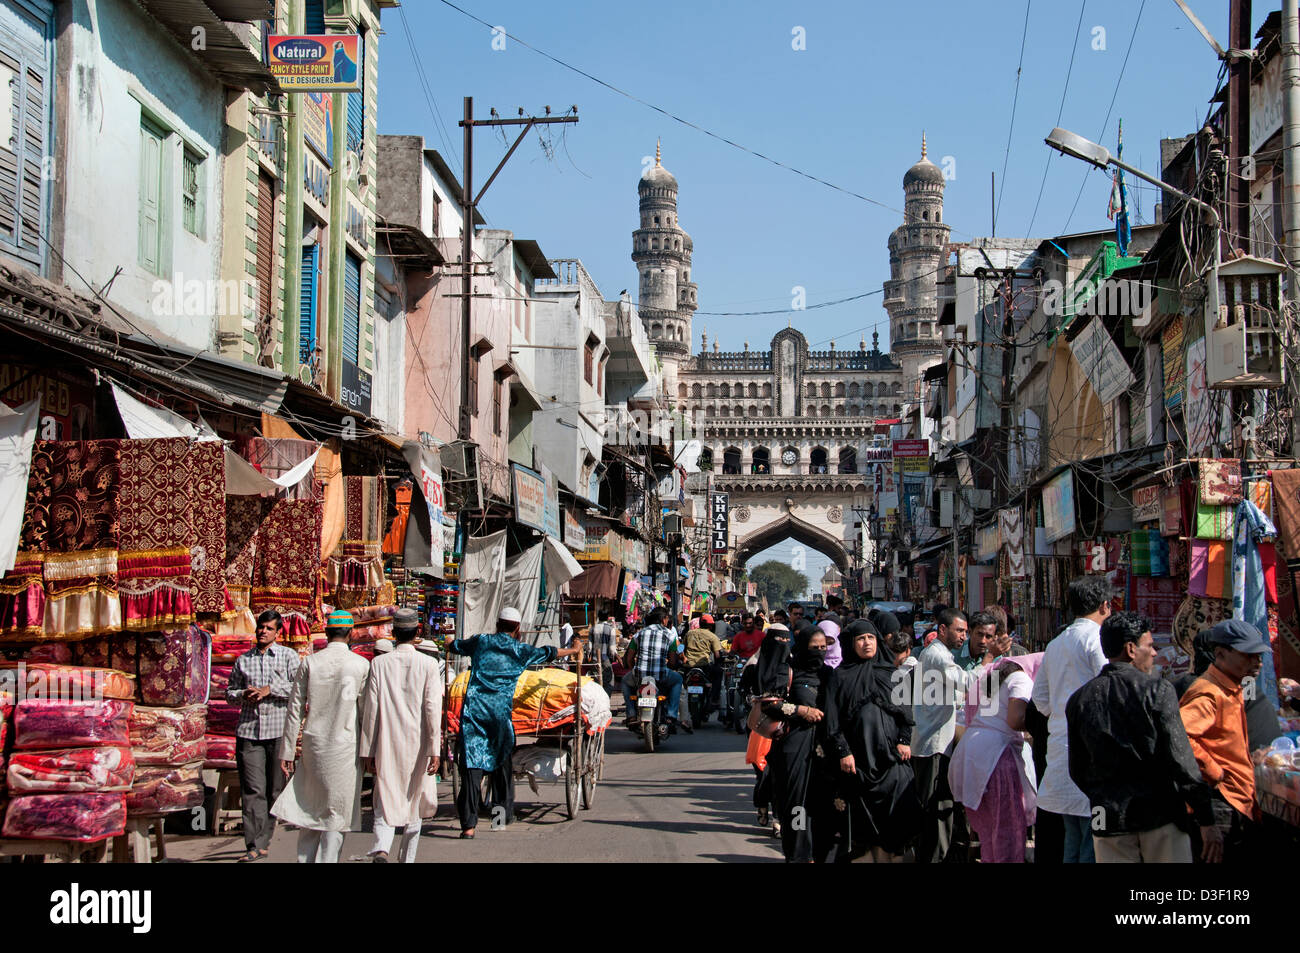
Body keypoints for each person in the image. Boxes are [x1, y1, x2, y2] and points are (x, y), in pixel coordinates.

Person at [1067, 611, 1220, 864]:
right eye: (1149, 646)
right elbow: (1181, 761)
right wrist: (1206, 818)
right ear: (1130, 648)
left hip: (1108, 820)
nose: (1154, 653)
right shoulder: (1158, 690)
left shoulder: (1079, 699)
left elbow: (1078, 770)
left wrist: (1103, 796)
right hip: (1160, 817)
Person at [447, 606, 583, 837]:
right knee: (501, 766)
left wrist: (449, 641)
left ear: (497, 623)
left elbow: (456, 646)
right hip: (500, 715)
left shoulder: (481, 641)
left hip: (474, 713)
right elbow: (549, 652)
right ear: (517, 628)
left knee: (471, 767)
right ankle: (499, 820)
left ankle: (468, 827)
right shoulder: (520, 650)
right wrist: (573, 649)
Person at [272, 609, 371, 863]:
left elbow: (294, 709)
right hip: (346, 748)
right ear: (350, 634)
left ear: (326, 633)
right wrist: (369, 752)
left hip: (314, 745)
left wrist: (286, 751)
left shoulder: (310, 662)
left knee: (309, 808)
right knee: (337, 814)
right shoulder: (360, 665)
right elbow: (366, 714)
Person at [825, 618, 920, 862]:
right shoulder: (840, 677)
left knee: (898, 814)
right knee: (865, 824)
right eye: (860, 639)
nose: (867, 643)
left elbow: (905, 713)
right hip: (859, 762)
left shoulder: (891, 673)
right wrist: (844, 751)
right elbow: (833, 720)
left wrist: (904, 740)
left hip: (891, 760)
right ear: (851, 643)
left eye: (870, 638)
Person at [1031, 575, 1112, 863]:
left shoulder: (1056, 643)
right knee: (1092, 840)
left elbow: (1040, 698)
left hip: (1061, 751)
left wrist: (1062, 716)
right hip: (1091, 754)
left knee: (1074, 838)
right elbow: (1108, 687)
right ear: (1104, 606)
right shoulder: (1097, 640)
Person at [1179, 619, 1267, 863]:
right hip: (1220, 801)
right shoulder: (1209, 691)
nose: (1257, 662)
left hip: (1235, 799)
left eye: (1258, 655)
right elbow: (1181, 737)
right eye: (1249, 655)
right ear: (1220, 654)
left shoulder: (1230, 687)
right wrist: (1216, 771)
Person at [359, 608, 442, 862]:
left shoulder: (380, 664)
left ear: (394, 633)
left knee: (385, 794)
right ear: (417, 633)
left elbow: (371, 710)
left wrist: (368, 750)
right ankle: (406, 858)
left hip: (387, 741)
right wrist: (435, 748)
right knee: (414, 798)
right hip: (418, 743)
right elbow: (432, 708)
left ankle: (382, 846)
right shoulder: (428, 664)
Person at [948, 651, 1042, 863]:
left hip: (973, 754)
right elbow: (1016, 719)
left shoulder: (997, 678)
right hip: (996, 759)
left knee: (989, 833)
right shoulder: (1021, 678)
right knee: (1007, 831)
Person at [226, 609, 301, 863]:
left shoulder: (289, 657)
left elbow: (298, 689)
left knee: (274, 789)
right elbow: (229, 692)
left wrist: (271, 690)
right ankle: (253, 843)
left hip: (277, 732)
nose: (263, 632)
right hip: (249, 731)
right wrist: (241, 695)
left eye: (269, 628)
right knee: (252, 789)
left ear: (278, 632)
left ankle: (265, 837)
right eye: (261, 627)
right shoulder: (243, 660)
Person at [760, 622, 833, 862]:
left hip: (824, 748)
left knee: (820, 805)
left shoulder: (828, 674)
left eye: (823, 647)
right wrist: (802, 711)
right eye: (814, 647)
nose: (819, 652)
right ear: (802, 647)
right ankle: (799, 855)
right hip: (795, 747)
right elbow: (771, 704)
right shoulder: (788, 671)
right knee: (796, 804)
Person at [911, 606, 973, 863]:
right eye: (960, 630)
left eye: (966, 631)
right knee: (936, 807)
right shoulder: (937, 655)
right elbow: (968, 683)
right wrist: (991, 663)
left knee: (941, 805)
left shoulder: (939, 654)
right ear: (943, 629)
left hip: (937, 742)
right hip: (932, 745)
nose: (964, 637)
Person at [743, 622, 792, 834]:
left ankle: (777, 818)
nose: (782, 644)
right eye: (777, 639)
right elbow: (743, 691)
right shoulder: (753, 665)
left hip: (785, 728)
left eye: (785, 640)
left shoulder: (791, 667)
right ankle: (764, 805)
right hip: (760, 727)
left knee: (781, 775)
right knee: (764, 773)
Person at [621, 607, 687, 733]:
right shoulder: (670, 635)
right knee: (677, 679)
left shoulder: (638, 634)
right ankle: (671, 716)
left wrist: (633, 670)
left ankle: (631, 715)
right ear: (663, 620)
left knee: (625, 682)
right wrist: (670, 667)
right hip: (661, 676)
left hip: (639, 675)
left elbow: (629, 658)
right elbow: (673, 661)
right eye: (667, 618)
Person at [683, 613, 724, 708]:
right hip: (705, 666)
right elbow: (717, 655)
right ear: (711, 625)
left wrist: (682, 656)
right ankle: (714, 698)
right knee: (719, 672)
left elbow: (681, 648)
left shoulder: (689, 633)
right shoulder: (712, 636)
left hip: (689, 666)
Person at [592, 613, 620, 695]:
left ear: (598, 617)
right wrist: (614, 657)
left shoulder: (593, 629)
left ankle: (598, 699)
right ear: (607, 618)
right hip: (606, 658)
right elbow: (612, 648)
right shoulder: (611, 629)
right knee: (609, 680)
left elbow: (589, 647)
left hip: (595, 659)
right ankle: (606, 698)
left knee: (597, 680)